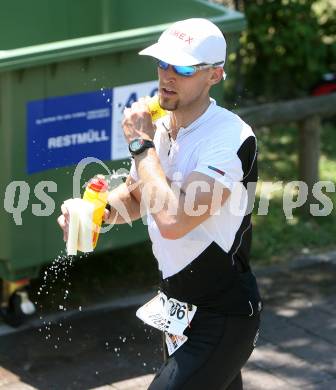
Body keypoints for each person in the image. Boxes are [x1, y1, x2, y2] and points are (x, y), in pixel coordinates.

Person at [58, 18, 262, 390]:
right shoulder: (163, 127)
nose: (167, 75)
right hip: (178, 310)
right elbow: (139, 199)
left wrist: (140, 145)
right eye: (162, 63)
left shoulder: (230, 139)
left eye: (182, 68)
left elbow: (172, 219)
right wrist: (94, 215)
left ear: (214, 75)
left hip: (223, 314)